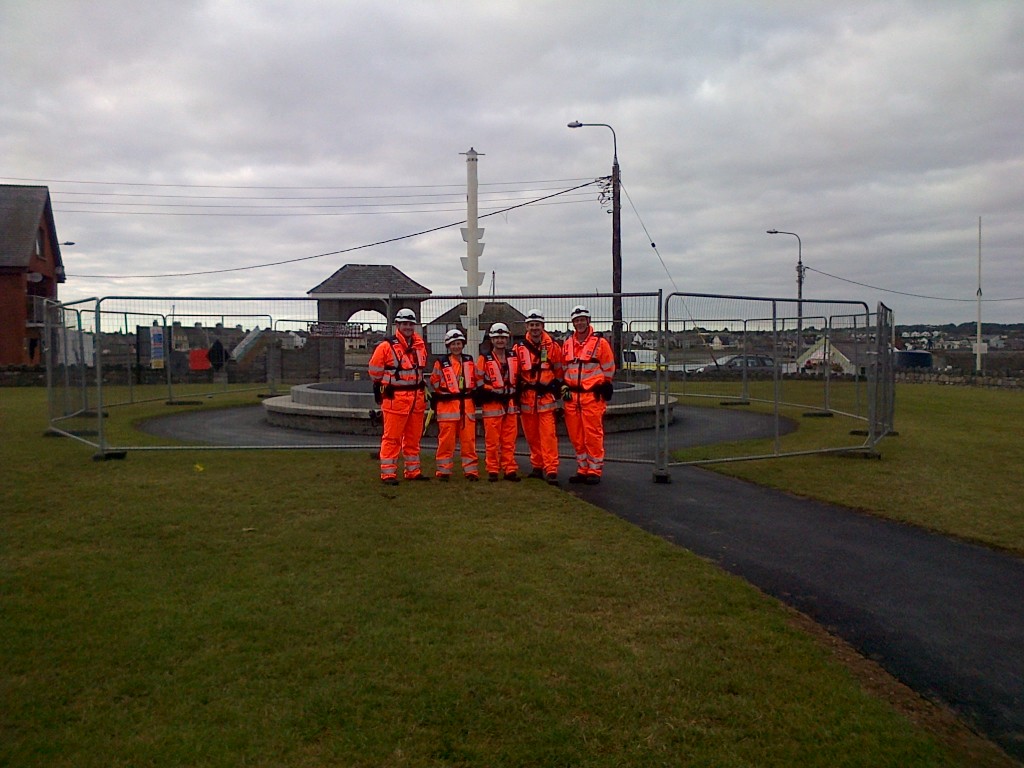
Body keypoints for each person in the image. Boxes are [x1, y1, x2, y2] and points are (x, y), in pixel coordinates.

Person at [367, 307, 430, 485]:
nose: (408, 327)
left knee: (413, 439)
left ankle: (413, 472)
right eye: (404, 324)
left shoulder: (419, 345)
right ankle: (388, 474)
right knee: (392, 438)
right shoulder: (385, 347)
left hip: (416, 400)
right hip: (396, 400)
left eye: (411, 324)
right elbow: (374, 372)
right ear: (398, 325)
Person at [561, 305, 615, 485]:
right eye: (576, 320)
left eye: (582, 319)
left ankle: (594, 469)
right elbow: (564, 369)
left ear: (588, 321)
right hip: (572, 398)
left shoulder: (600, 343)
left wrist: (605, 385)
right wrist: (564, 387)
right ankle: (582, 468)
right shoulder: (567, 343)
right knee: (576, 436)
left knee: (593, 435)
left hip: (592, 396)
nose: (579, 323)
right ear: (573, 323)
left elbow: (609, 367)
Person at [513, 309, 564, 486]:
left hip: (545, 399)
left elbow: (559, 370)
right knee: (531, 436)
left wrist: (554, 386)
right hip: (527, 400)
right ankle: (537, 466)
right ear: (527, 326)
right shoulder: (518, 348)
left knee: (548, 435)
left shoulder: (553, 347)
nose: (535, 328)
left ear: (543, 326)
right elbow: (515, 372)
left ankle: (551, 470)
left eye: (538, 325)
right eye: (532, 325)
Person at [430, 328, 480, 482]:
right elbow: (435, 381)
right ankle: (444, 471)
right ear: (448, 346)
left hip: (466, 407)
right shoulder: (441, 363)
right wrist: (445, 394)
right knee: (446, 441)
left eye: (458, 343)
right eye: (453, 344)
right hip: (447, 407)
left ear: (463, 344)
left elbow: (476, 379)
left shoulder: (469, 361)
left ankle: (471, 471)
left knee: (469, 441)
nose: (456, 347)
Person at [476, 322, 520, 482]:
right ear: (491, 340)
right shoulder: (484, 359)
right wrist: (492, 392)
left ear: (507, 339)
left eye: (503, 337)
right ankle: (493, 469)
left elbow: (518, 379)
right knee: (492, 441)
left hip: (510, 404)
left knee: (509, 440)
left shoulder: (514, 357)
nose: (500, 340)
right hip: (492, 404)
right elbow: (478, 382)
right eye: (497, 338)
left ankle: (510, 469)